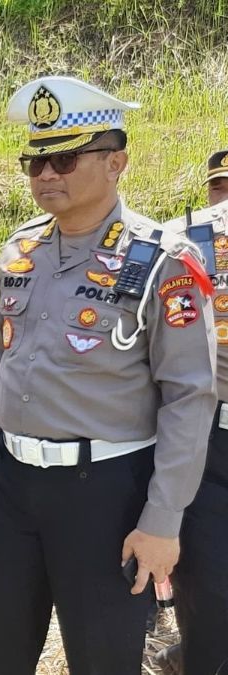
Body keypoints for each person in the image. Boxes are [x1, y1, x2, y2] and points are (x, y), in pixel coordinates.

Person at [0, 76, 217, 675]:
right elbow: (0, 359)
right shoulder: (18, 251)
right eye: (36, 161)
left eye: (66, 158)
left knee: (103, 659)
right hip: (14, 483)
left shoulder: (163, 262)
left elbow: (189, 399)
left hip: (106, 492)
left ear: (116, 162)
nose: (46, 174)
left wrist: (162, 521)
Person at [158, 151, 228, 675]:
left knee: (206, 587)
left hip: (204, 431)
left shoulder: (177, 239)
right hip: (205, 431)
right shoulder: (180, 243)